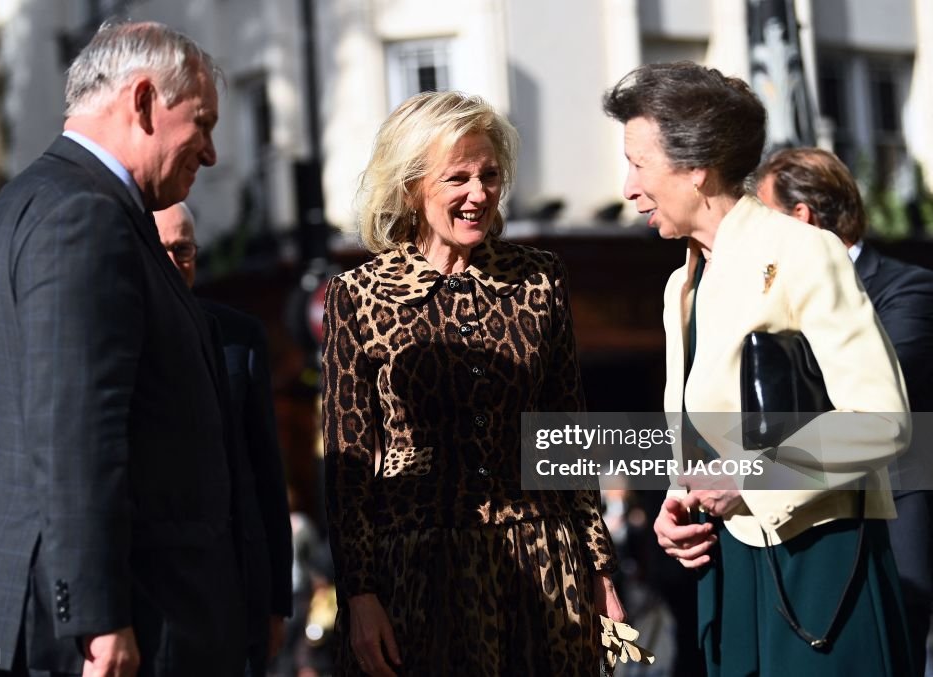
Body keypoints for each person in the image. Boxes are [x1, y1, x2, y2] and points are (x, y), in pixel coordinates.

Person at [0, 21, 252, 676]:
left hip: (21, 611)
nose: (212, 152)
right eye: (202, 122)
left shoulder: (17, 206)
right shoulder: (86, 215)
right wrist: (99, 614)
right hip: (108, 630)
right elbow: (77, 423)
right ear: (142, 102)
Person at [603, 61, 912, 676]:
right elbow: (694, 437)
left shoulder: (803, 250)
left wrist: (749, 476)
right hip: (725, 567)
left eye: (639, 163)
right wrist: (675, 502)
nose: (629, 187)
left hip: (817, 562)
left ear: (696, 168)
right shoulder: (679, 286)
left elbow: (883, 421)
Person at [321, 90, 624, 677]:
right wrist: (358, 596)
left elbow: (569, 435)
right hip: (417, 578)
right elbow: (347, 462)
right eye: (457, 177)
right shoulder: (356, 297)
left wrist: (600, 569)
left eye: (489, 175)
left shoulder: (540, 281)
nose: (479, 194)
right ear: (411, 186)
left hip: (544, 567)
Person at [755, 147, 933, 677]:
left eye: (762, 215)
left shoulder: (910, 288)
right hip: (808, 503)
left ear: (800, 217)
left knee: (897, 648)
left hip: (895, 505)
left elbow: (871, 387)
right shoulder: (772, 293)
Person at [153, 202, 293, 676]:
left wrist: (277, 600)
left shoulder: (239, 335)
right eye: (161, 250)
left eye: (184, 249)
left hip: (238, 586)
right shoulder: (117, 336)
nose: (174, 262)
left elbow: (266, 471)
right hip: (156, 596)